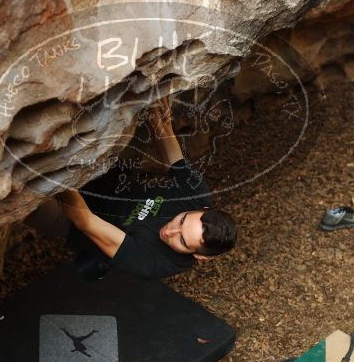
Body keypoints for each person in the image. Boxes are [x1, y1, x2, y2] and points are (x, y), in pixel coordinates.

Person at [26, 96, 238, 280]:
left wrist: (56, 164)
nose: (170, 231)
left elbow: (85, 220)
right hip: (104, 182)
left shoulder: (152, 263)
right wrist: (153, 93)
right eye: (181, 220)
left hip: (71, 219)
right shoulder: (197, 196)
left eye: (182, 240)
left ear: (199, 256)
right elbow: (164, 133)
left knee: (27, 190)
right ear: (203, 209)